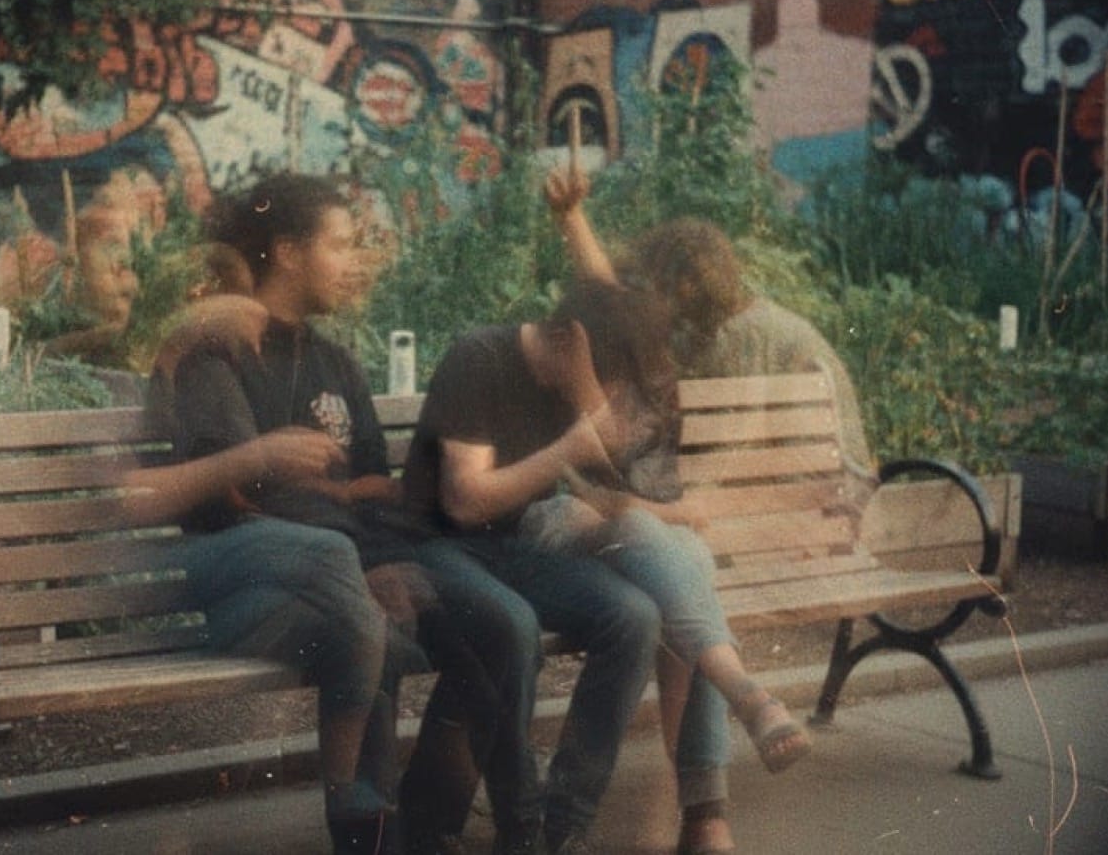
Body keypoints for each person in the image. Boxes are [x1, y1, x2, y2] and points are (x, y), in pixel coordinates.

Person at [160, 173, 544, 855]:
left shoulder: (334, 359)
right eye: (339, 245)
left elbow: (370, 483)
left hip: (355, 560)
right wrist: (354, 564)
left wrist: (384, 555)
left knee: (502, 625)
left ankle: (437, 820)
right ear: (287, 250)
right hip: (264, 585)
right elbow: (231, 502)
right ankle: (376, 836)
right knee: (371, 631)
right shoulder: (221, 350)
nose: (354, 262)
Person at [400, 280, 810, 855]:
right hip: (442, 548)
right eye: (611, 375)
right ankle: (523, 830)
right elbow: (465, 501)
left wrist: (640, 498)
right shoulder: (481, 357)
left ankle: (566, 824)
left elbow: (611, 501)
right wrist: (571, 447)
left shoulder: (574, 384)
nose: (612, 394)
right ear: (572, 340)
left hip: (518, 548)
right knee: (513, 625)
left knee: (635, 616)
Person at [112, 421, 394, 853]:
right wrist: (256, 460)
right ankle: (351, 805)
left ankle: (363, 824)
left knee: (363, 631)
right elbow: (133, 498)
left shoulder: (309, 367)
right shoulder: (204, 369)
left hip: (279, 587)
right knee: (349, 587)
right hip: (226, 559)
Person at [545, 166, 877, 502]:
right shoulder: (736, 323)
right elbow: (611, 299)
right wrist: (572, 218)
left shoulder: (741, 336)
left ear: (683, 286)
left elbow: (722, 458)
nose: (641, 298)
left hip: (813, 498)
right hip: (827, 488)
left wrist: (643, 500)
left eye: (651, 285)